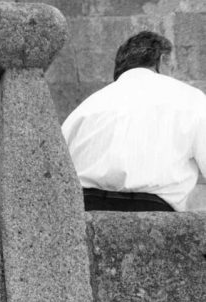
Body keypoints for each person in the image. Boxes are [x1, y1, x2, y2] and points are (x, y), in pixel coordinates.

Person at [62, 31, 206, 212]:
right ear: (162, 61)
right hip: (155, 218)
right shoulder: (190, 99)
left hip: (87, 214)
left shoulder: (85, 108)